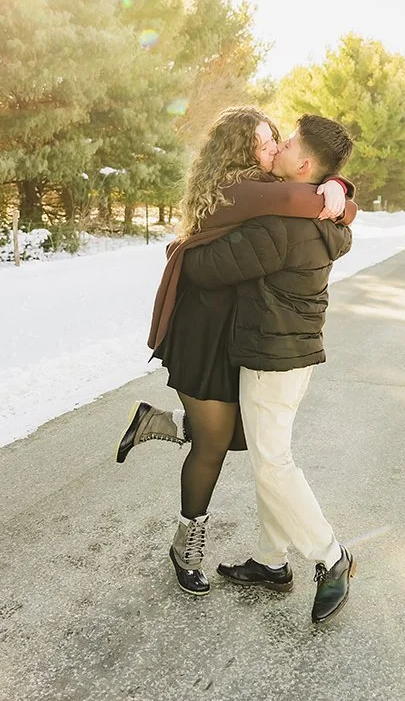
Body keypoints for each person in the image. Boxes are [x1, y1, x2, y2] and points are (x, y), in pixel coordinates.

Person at [115, 106, 357, 599]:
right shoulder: (239, 189)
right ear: (240, 149)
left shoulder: (266, 191)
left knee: (236, 434)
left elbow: (308, 195)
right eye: (266, 142)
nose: (274, 149)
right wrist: (335, 195)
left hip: (241, 332)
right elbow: (298, 196)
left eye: (278, 141)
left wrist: (341, 191)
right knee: (212, 445)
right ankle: (188, 543)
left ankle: (158, 423)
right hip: (204, 332)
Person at [181, 115, 356, 624]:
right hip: (292, 354)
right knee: (266, 457)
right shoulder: (319, 212)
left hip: (270, 358)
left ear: (303, 164)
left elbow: (205, 268)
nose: (278, 145)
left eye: (288, 142)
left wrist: (181, 246)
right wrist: (340, 189)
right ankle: (271, 560)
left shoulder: (282, 224)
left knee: (273, 463)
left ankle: (330, 556)